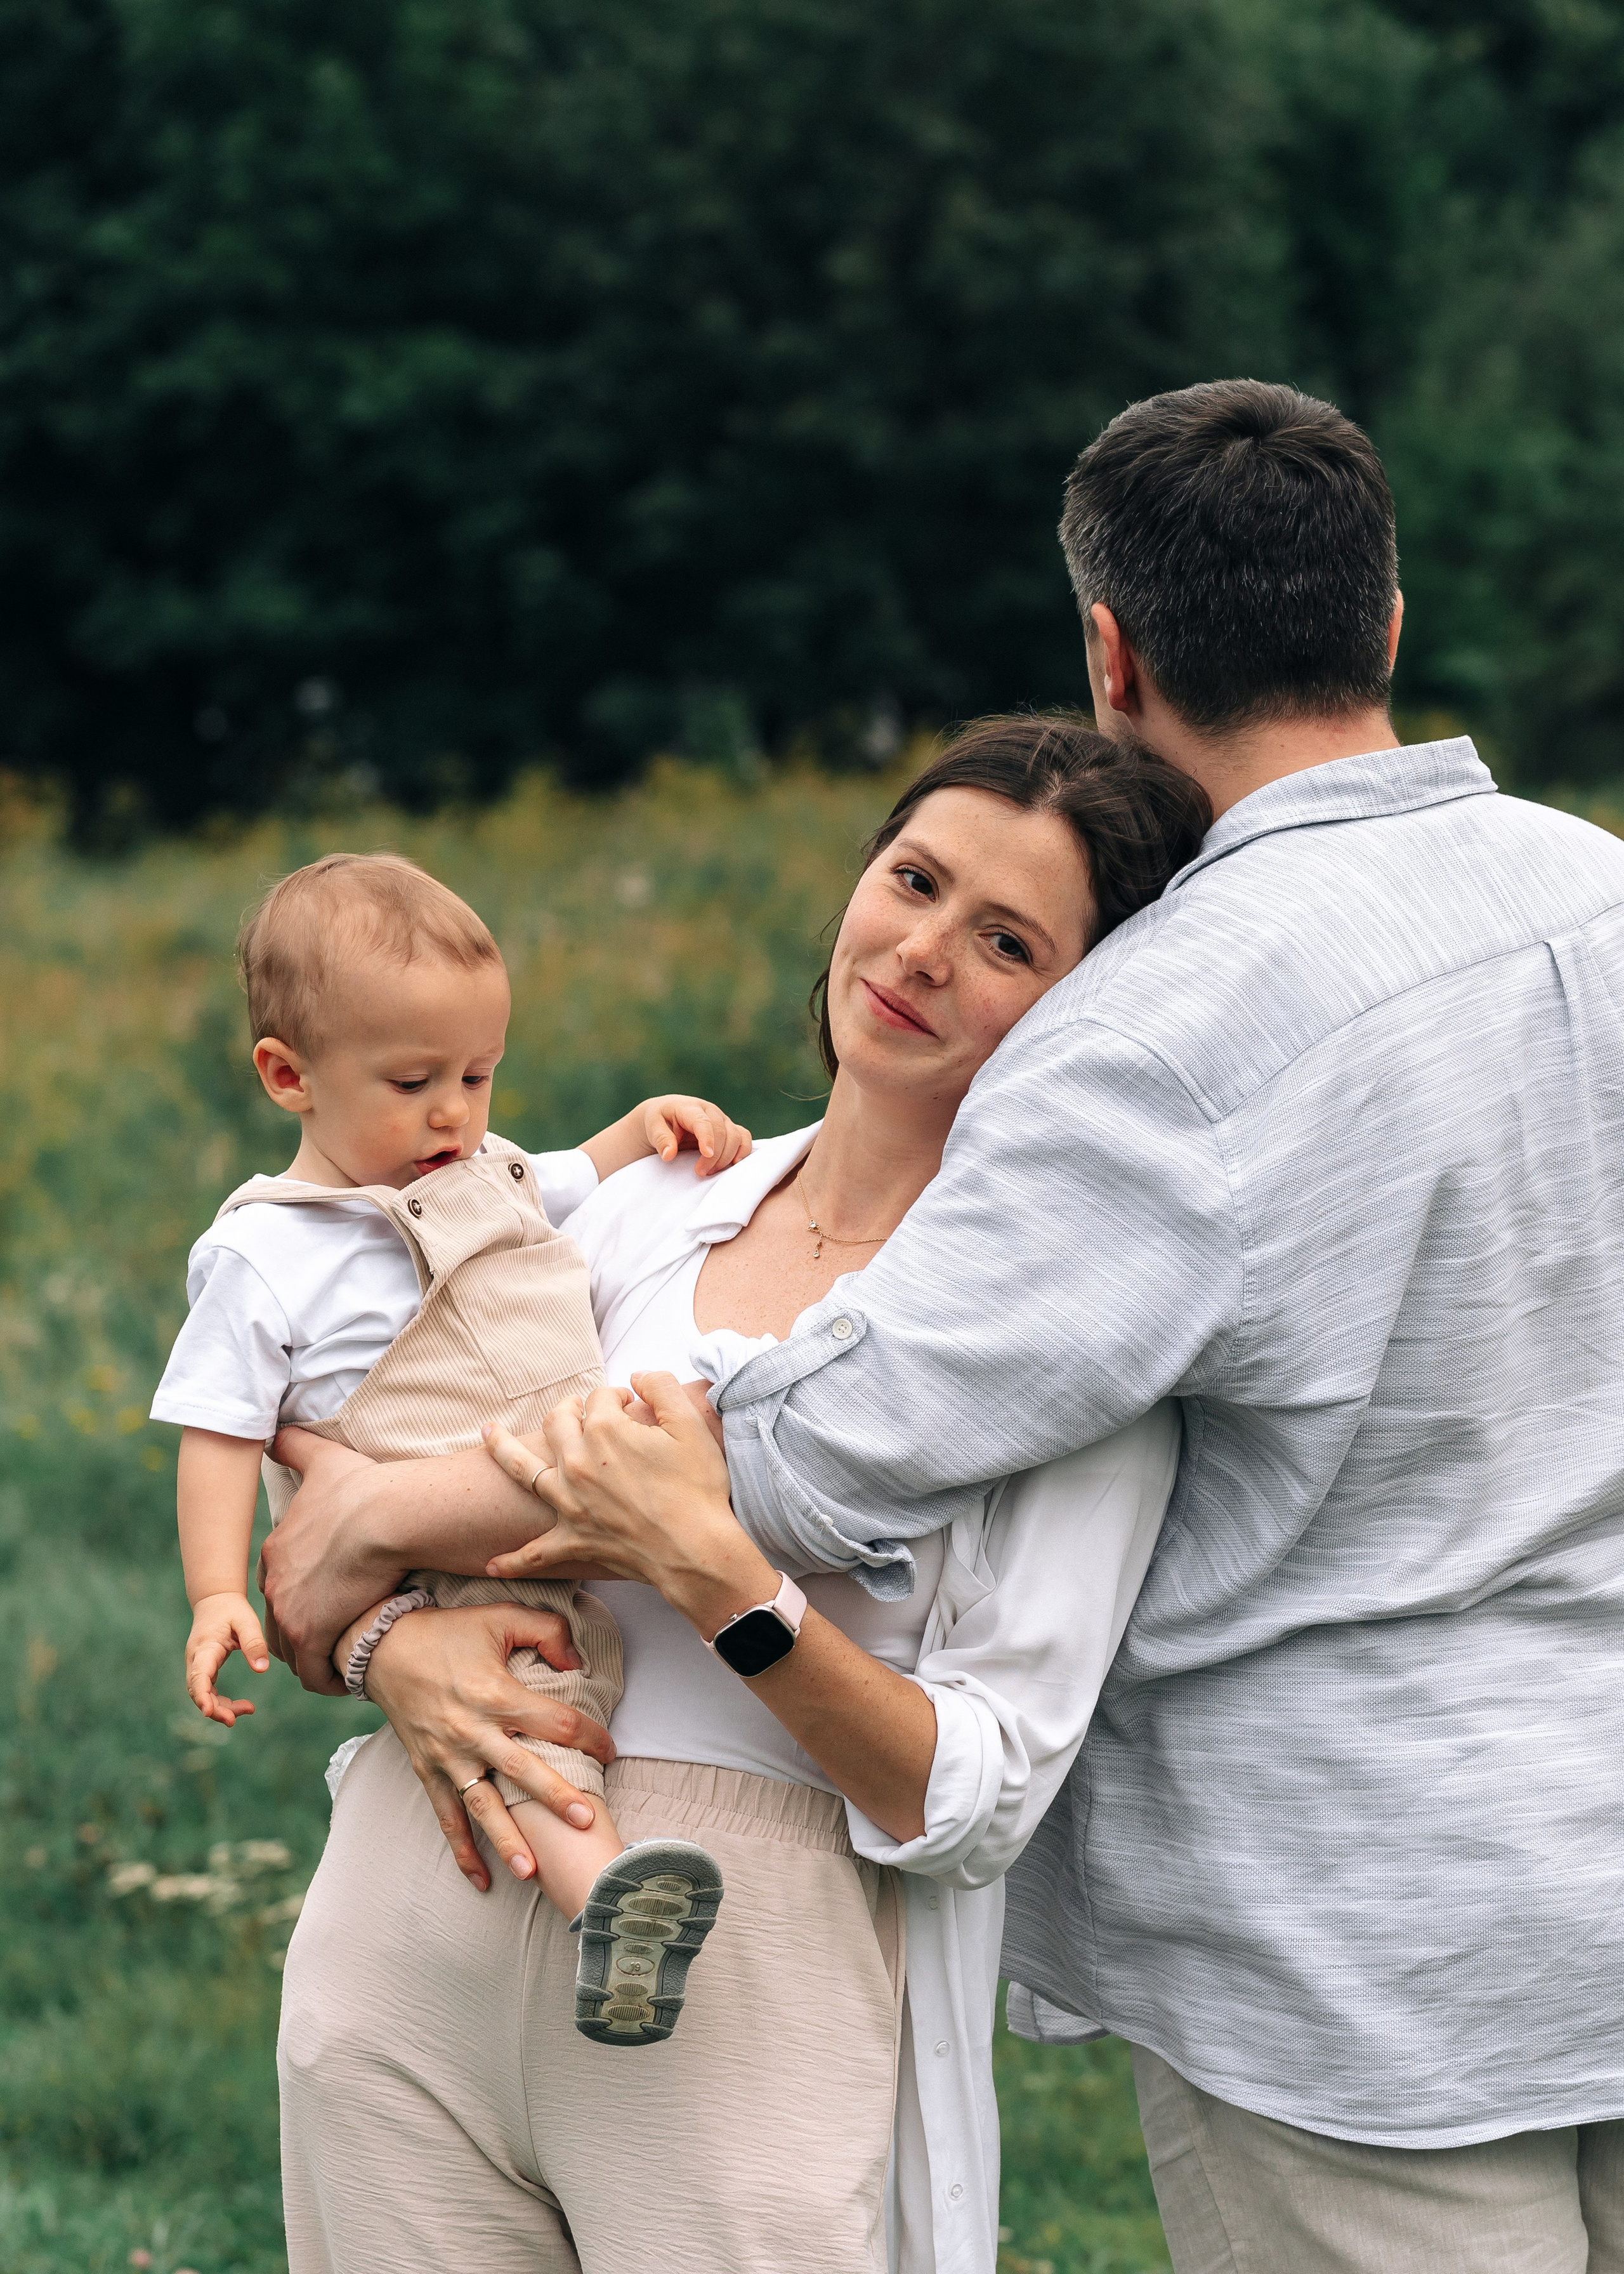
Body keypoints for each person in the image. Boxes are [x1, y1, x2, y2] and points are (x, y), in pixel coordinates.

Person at [497, 380, 1624, 2271]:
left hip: (1358, 1953)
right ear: (1390, 629)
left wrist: (385, 1523)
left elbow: (804, 1448)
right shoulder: (1601, 895)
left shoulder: (1158, 1035)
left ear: (1110, 655)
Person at [260, 716, 1210, 2273]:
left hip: (744, 1978)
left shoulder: (1073, 1356)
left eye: (1006, 940)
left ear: (1088, 1008)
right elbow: (312, 1554)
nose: (918, 950)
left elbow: (970, 1796)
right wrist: (394, 1658)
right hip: (416, 1897)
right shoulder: (638, 1204)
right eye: (911, 879)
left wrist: (725, 1583)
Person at [149, 850, 751, 2041]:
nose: (454, 1114)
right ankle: (611, 1911)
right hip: (439, 1542)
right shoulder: (267, 1251)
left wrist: (641, 1129)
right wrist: (220, 1590)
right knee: (536, 1700)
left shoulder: (483, 1169)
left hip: (551, 1464)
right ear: (288, 1077)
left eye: (479, 1075)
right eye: (414, 1080)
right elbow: (217, 1433)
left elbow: (565, 1182)